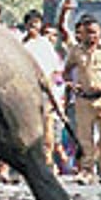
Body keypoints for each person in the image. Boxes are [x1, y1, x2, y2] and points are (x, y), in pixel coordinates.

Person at [63, 14, 101, 184]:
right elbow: (66, 71)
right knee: (84, 136)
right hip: (84, 99)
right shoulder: (76, 50)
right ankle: (87, 170)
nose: (91, 36)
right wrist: (72, 84)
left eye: (94, 32)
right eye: (88, 32)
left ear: (99, 32)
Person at [21, 9, 63, 168]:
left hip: (44, 92)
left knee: (47, 131)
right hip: (23, 93)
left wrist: (53, 97)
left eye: (36, 22)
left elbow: (53, 71)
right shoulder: (20, 43)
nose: (33, 26)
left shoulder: (45, 45)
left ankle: (47, 165)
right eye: (30, 23)